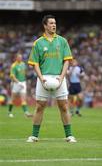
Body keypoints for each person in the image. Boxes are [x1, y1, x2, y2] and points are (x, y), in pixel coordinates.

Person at [27, 14, 76, 143]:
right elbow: (35, 63)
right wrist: (41, 78)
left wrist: (61, 77)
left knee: (64, 106)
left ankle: (69, 135)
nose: (54, 25)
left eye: (55, 23)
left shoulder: (62, 41)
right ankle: (34, 136)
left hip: (59, 77)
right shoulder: (38, 43)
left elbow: (67, 61)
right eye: (51, 23)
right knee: (39, 106)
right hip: (43, 78)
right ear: (45, 25)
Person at [8, 53, 33, 118]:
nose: (20, 58)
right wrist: (18, 83)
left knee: (23, 99)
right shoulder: (13, 65)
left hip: (23, 83)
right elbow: (12, 76)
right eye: (19, 57)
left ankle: (26, 113)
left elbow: (24, 73)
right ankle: (9, 112)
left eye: (21, 57)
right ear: (16, 58)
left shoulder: (23, 64)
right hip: (16, 84)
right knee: (13, 99)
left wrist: (25, 81)